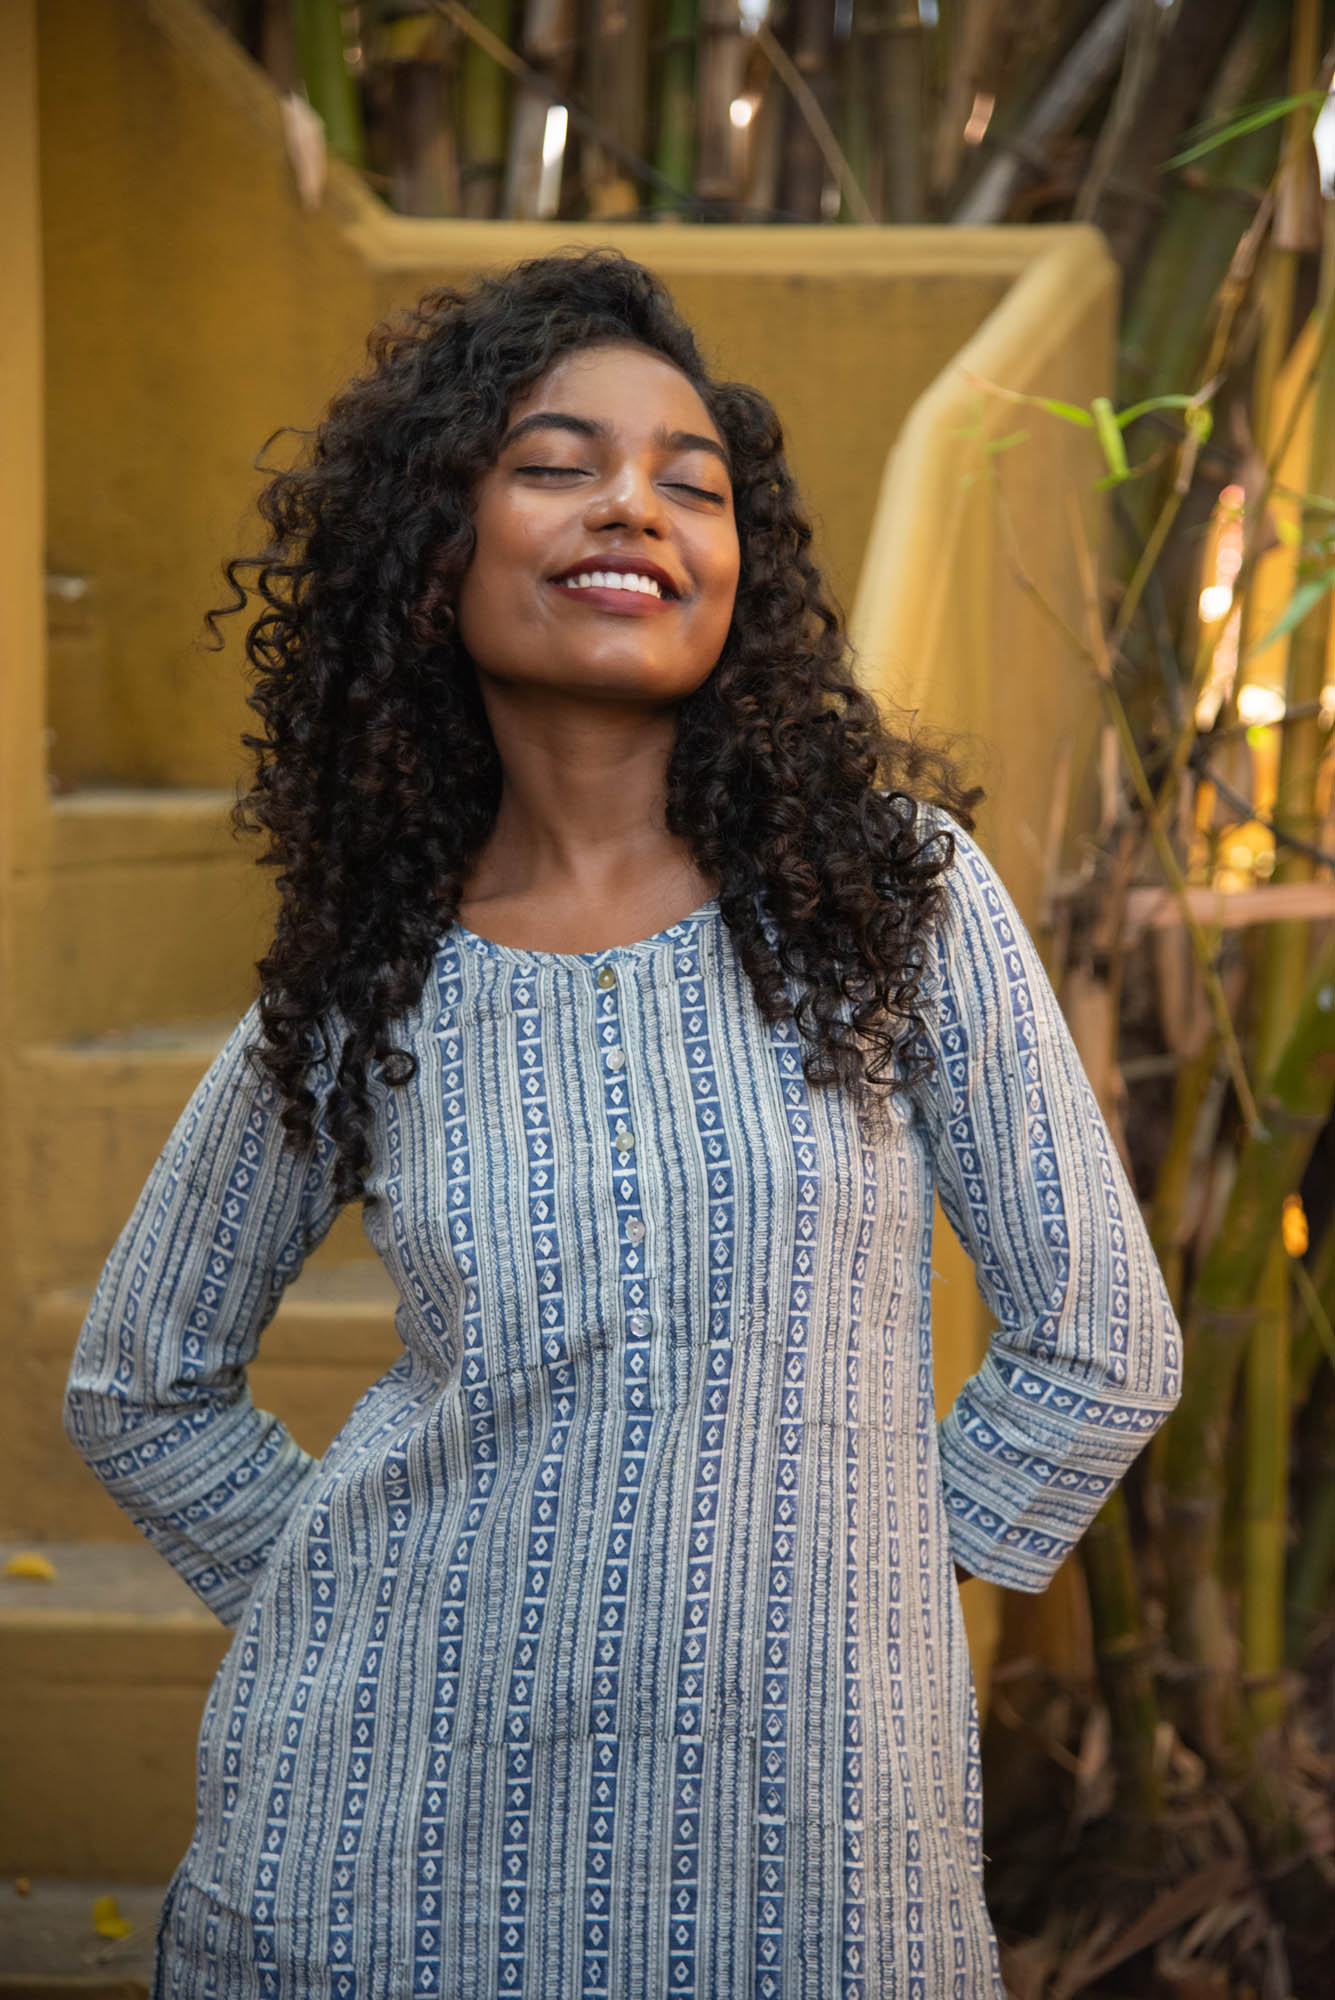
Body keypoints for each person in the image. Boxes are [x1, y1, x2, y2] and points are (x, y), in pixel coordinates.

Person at [65, 249, 1180, 1999]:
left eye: (692, 484)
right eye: (556, 463)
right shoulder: (373, 976)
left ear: (741, 567)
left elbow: (1101, 1345)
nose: (636, 509)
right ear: (434, 546)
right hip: (372, 1866)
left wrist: (836, 1605)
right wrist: (370, 1614)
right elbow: (141, 1379)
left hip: (810, 1870)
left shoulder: (889, 905)